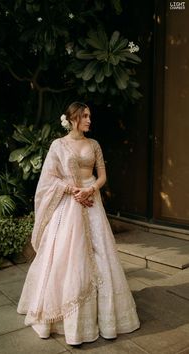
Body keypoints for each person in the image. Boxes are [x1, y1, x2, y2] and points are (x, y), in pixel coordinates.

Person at [17, 102, 140, 345]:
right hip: (69, 204)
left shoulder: (93, 144)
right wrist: (72, 190)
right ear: (72, 118)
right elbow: (48, 179)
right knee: (68, 256)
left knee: (101, 255)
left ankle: (104, 318)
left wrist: (91, 189)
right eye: (84, 116)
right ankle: (67, 319)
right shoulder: (58, 145)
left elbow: (103, 175)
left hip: (92, 202)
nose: (89, 120)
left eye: (89, 116)